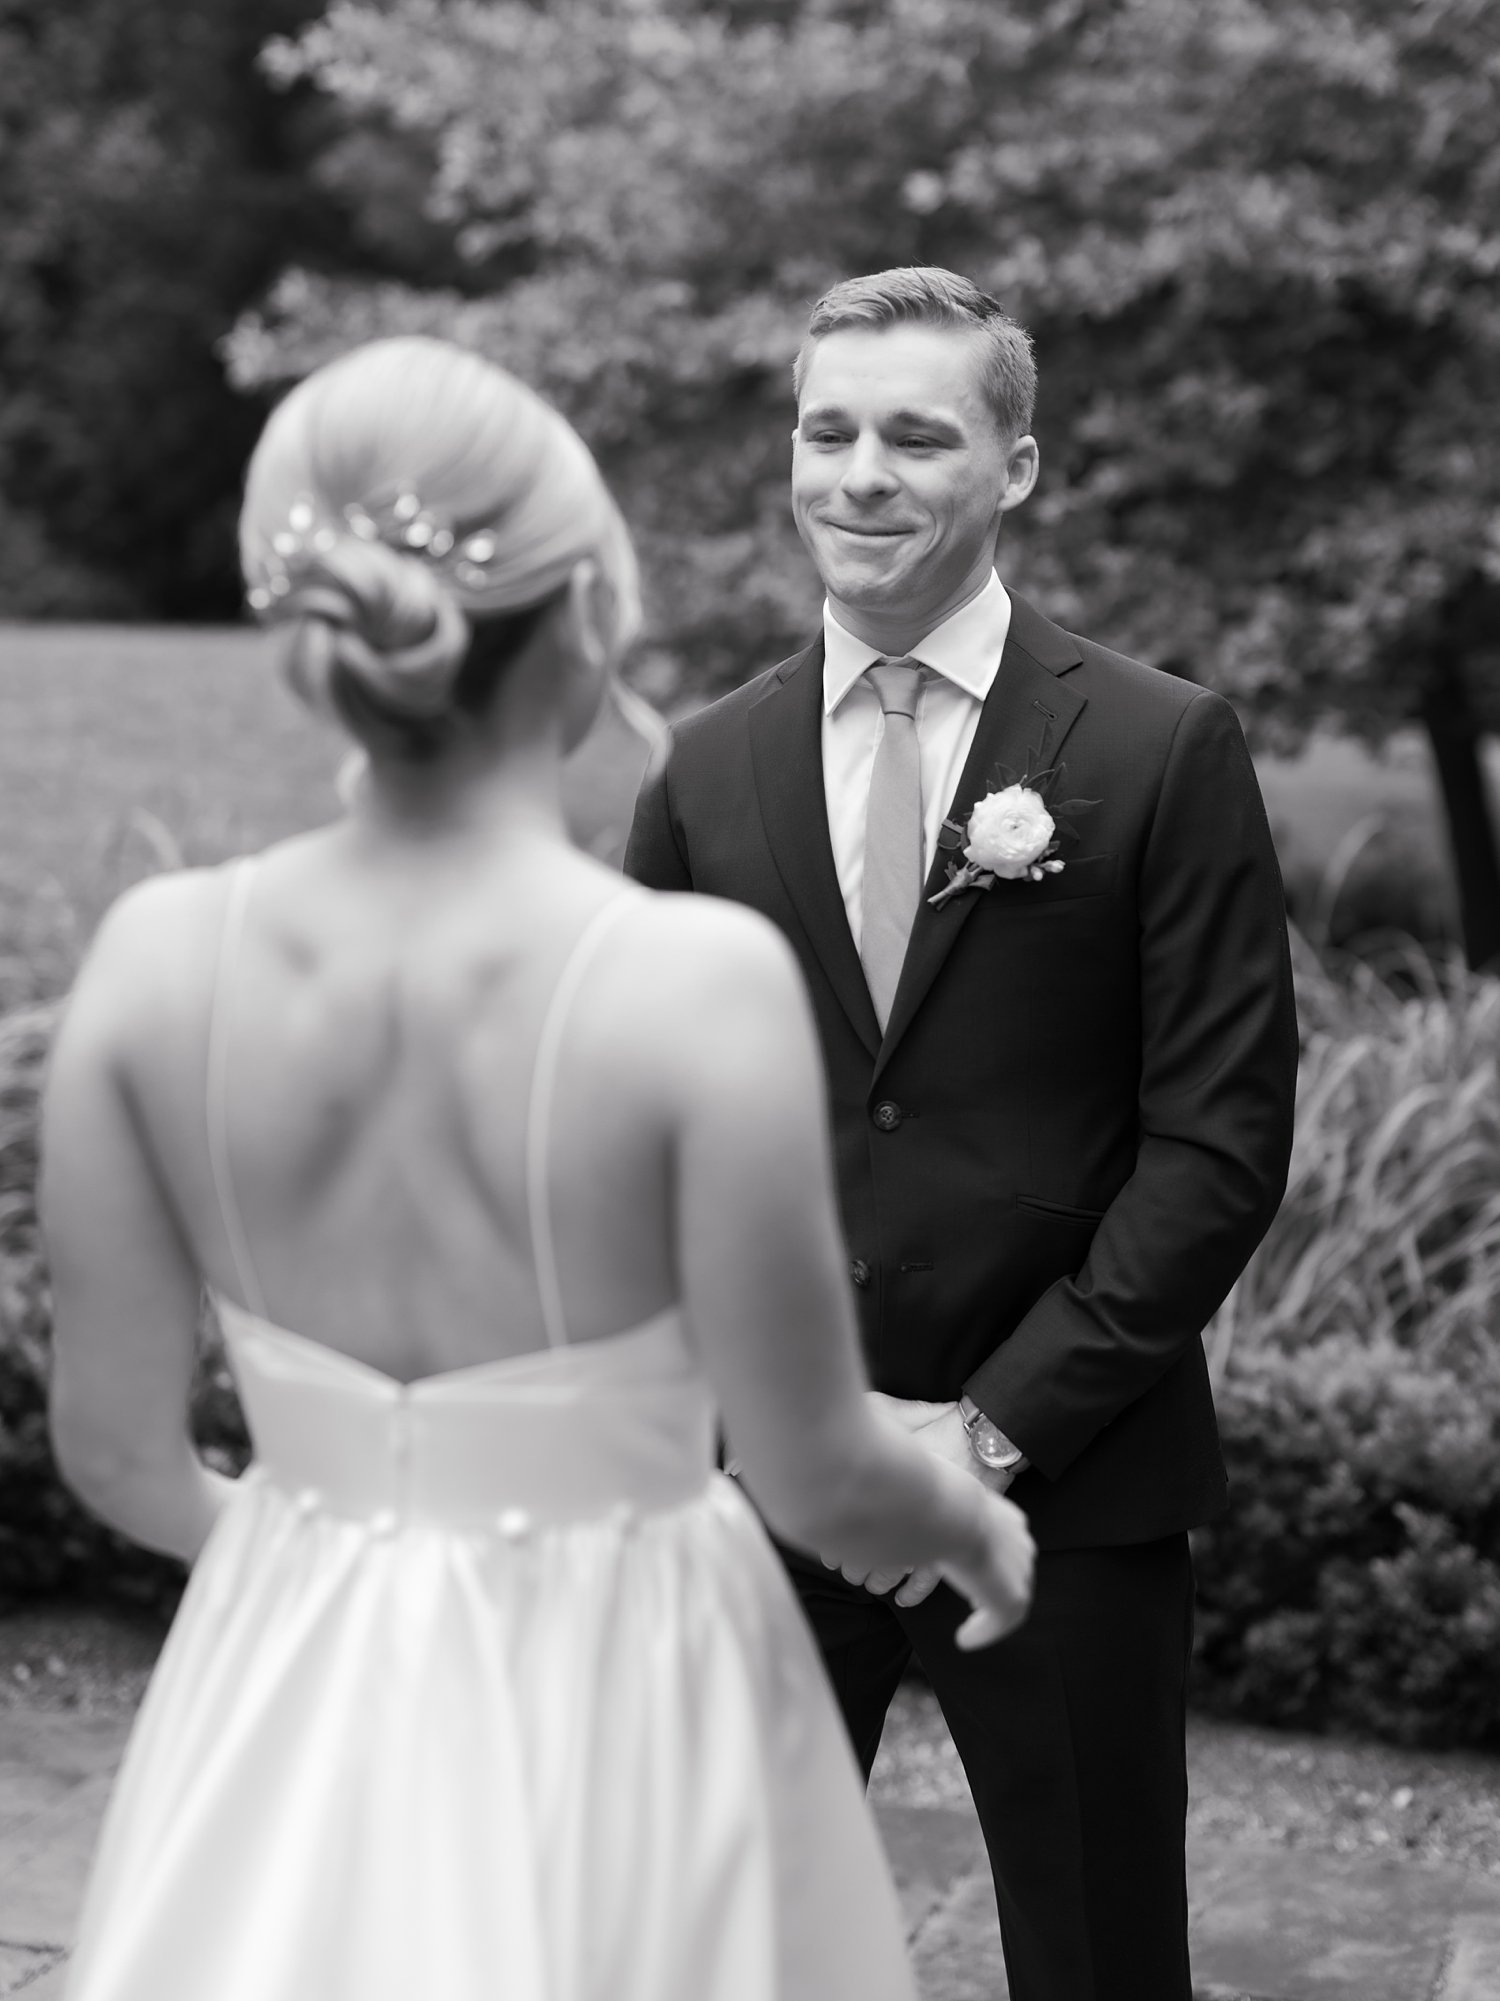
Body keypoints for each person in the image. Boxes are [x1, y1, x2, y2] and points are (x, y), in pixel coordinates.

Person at [40, 333, 1036, 2001]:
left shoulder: (153, 961)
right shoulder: (689, 982)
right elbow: (810, 1468)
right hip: (623, 1689)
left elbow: (123, 1456)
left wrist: (354, 1571)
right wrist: (974, 1527)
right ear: (587, 625)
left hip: (296, 1677)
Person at [626, 267, 1299, 2001]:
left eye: (917, 435)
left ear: (1015, 467)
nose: (861, 473)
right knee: (717, 1956)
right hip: (769, 1494)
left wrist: (983, 1437)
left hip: (1067, 1490)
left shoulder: (1159, 748)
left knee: (1097, 1958)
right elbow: (642, 1140)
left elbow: (1216, 1141)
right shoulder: (706, 772)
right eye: (828, 429)